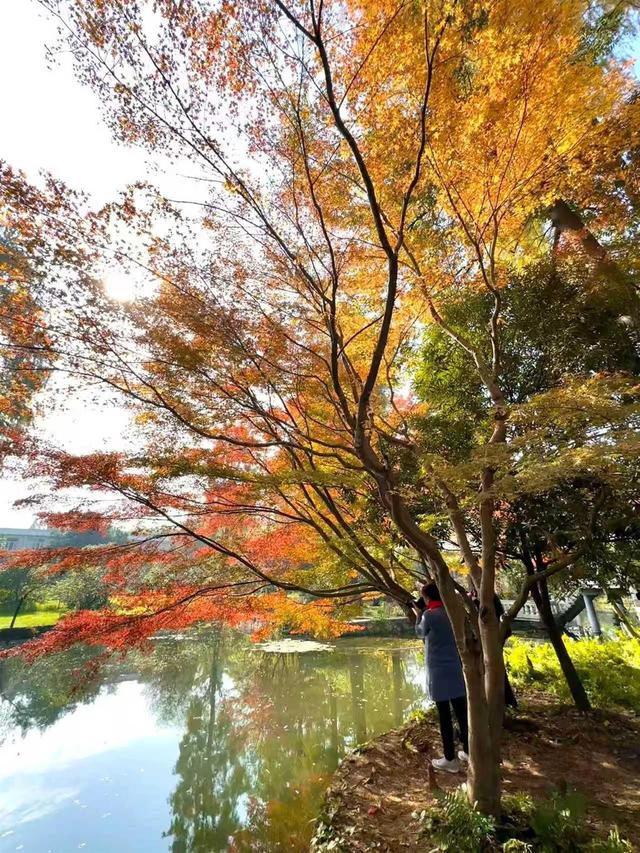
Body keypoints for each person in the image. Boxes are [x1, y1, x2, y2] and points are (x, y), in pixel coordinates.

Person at [414, 582, 469, 773]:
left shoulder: (429, 615)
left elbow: (420, 632)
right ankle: (469, 751)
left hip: (437, 670)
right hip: (454, 667)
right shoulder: (452, 612)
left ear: (428, 597)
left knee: (444, 714)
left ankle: (450, 758)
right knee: (462, 711)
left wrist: (418, 614)